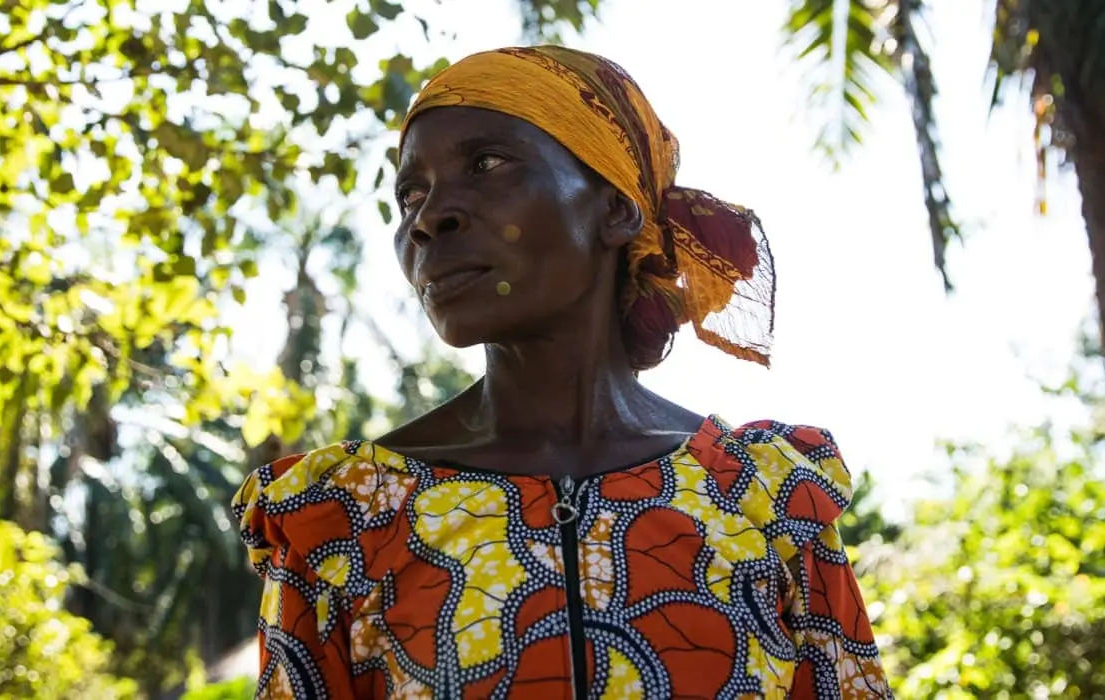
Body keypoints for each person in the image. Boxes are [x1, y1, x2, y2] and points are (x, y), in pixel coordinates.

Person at [231, 45, 892, 700]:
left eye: (486, 164)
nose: (429, 218)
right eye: (411, 192)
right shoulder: (347, 519)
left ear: (615, 207)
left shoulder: (761, 499)